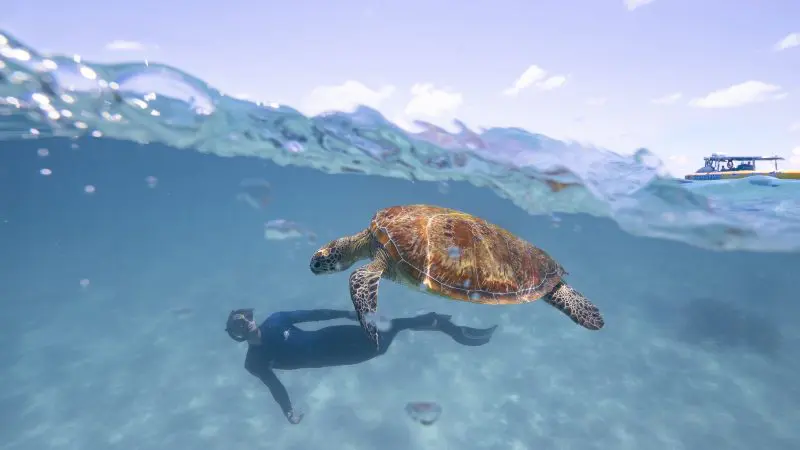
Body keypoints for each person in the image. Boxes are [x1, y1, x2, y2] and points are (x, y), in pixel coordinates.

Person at [225, 307, 497, 424]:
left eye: (244, 316)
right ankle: (443, 325)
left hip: (336, 334)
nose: (245, 321)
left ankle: (453, 330)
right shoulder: (255, 362)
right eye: (238, 323)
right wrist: (288, 412)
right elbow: (274, 386)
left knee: (392, 326)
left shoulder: (276, 320)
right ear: (237, 335)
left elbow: (314, 314)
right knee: (384, 340)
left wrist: (348, 313)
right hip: (340, 354)